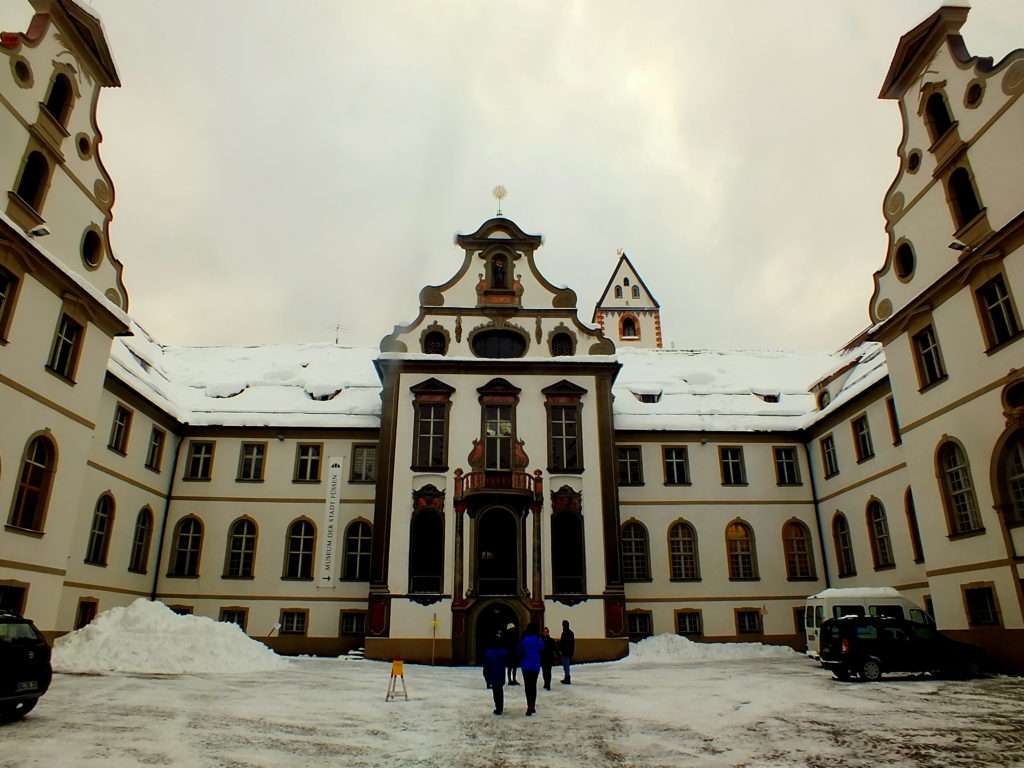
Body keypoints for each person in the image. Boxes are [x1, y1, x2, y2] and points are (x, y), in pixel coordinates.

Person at [516, 622, 544, 716]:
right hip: (535, 664)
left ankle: (529, 706)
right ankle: (533, 706)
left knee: (528, 686)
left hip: (526, 664)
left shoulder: (524, 639)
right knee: (533, 685)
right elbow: (542, 647)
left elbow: (519, 650)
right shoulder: (538, 639)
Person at [482, 631, 508, 715]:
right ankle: (500, 707)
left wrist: (487, 679)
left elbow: (486, 667)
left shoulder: (489, 652)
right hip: (500, 674)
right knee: (500, 691)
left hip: (493, 675)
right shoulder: (503, 652)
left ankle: (498, 707)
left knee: (495, 692)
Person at [540, 626, 560, 691]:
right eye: (544, 632)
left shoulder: (551, 640)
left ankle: (548, 684)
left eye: (547, 632)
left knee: (548, 672)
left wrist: (558, 655)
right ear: (543, 633)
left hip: (549, 658)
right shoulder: (541, 640)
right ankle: (546, 682)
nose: (546, 633)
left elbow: (555, 648)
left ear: (548, 633)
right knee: (544, 672)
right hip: (543, 658)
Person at [559, 619, 575, 684]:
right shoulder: (571, 633)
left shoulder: (564, 633)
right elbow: (572, 643)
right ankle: (567, 677)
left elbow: (562, 642)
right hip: (568, 652)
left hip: (565, 652)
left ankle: (567, 678)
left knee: (566, 665)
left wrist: (560, 648)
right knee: (566, 665)